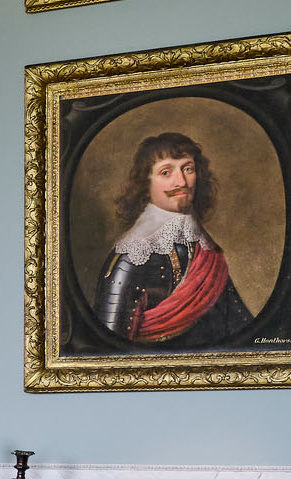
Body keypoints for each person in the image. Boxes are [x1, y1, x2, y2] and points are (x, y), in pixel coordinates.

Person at [93, 130, 253, 349]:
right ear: (145, 184)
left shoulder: (206, 250)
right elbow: (109, 352)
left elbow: (242, 330)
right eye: (166, 172)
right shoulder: (133, 256)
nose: (182, 181)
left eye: (188, 169)